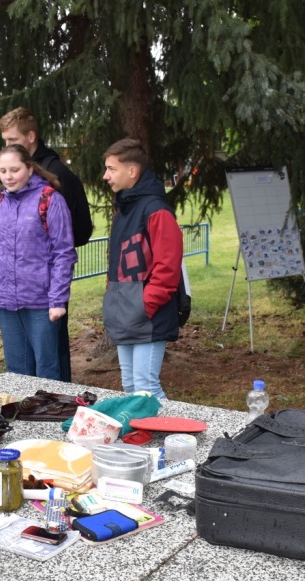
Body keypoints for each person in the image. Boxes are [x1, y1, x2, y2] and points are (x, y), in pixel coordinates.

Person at [0, 106, 94, 382]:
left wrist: (46, 257)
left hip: (48, 287)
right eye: (5, 141)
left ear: (30, 137)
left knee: (51, 360)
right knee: (22, 363)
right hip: (16, 289)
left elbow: (78, 230)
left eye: (13, 140)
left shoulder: (56, 173)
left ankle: (57, 403)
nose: (8, 146)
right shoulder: (13, 174)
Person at [0, 144, 77, 380]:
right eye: (3, 171)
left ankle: (47, 406)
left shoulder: (50, 199)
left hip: (41, 302)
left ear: (29, 169)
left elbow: (63, 253)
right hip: (6, 301)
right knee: (17, 372)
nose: (8, 177)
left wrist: (57, 299)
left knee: (46, 370)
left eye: (15, 170)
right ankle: (22, 406)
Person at [101, 138, 183, 400]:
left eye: (111, 169)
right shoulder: (124, 209)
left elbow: (168, 268)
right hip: (126, 313)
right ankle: (139, 428)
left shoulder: (157, 211)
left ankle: (170, 427)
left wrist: (145, 305)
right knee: (130, 386)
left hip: (149, 316)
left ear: (132, 171)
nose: (105, 176)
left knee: (147, 388)